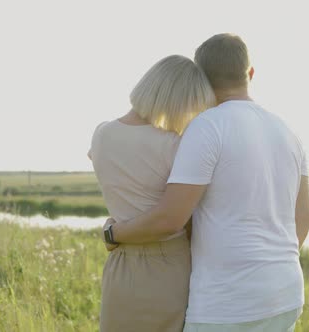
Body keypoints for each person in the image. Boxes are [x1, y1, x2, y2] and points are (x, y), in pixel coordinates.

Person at [104, 33, 309, 332]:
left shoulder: (207, 127)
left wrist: (113, 233)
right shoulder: (289, 132)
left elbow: (170, 218)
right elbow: (305, 218)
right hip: (286, 295)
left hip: (226, 305)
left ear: (200, 79)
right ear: (250, 73)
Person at [88, 54, 216, 332]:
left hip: (120, 265)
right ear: (179, 100)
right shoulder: (176, 145)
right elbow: (188, 217)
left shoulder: (101, 134)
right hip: (169, 267)